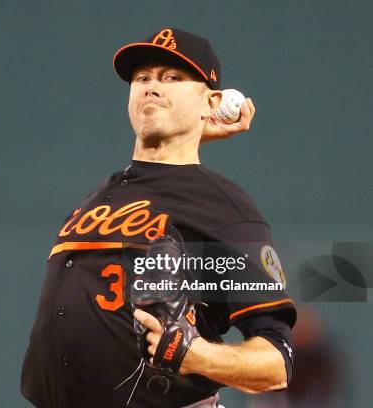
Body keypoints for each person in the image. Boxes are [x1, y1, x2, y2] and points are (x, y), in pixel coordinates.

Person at [21, 26, 297, 408]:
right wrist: (188, 134)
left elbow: (277, 362)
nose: (151, 86)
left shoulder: (222, 208)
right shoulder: (106, 192)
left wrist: (197, 354)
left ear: (210, 101)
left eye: (171, 77)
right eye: (142, 78)